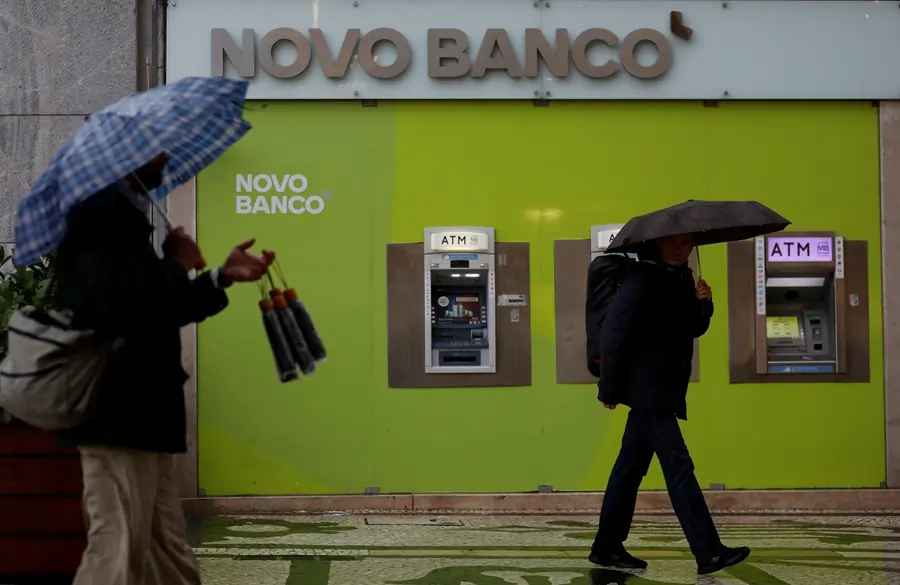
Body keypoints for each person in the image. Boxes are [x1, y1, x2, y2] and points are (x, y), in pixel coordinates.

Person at [54, 152, 274, 585]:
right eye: (158, 147)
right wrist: (174, 261)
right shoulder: (98, 213)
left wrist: (219, 278)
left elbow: (157, 308)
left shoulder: (126, 215)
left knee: (165, 547)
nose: (167, 156)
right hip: (117, 410)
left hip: (144, 412)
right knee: (117, 548)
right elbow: (116, 310)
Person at [588, 234, 750, 576]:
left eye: (688, 244)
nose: (684, 249)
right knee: (679, 468)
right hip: (649, 390)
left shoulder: (680, 277)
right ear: (658, 245)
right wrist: (609, 388)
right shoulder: (641, 278)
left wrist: (704, 302)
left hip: (665, 387)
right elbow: (613, 333)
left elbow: (693, 327)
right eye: (676, 243)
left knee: (628, 471)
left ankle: (606, 547)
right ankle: (708, 551)